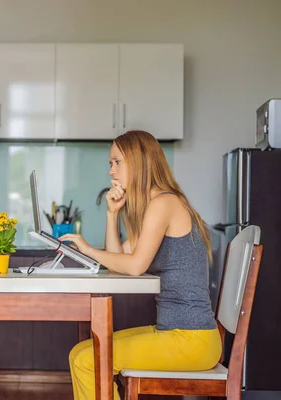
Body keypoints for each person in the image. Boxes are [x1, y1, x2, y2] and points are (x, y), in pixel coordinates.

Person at [60, 130, 221, 400]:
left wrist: (88, 249)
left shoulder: (164, 203)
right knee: (80, 353)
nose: (111, 171)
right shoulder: (159, 205)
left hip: (191, 341)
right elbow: (117, 262)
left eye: (116, 162)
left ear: (138, 161)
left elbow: (134, 266)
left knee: (87, 360)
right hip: (178, 333)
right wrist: (113, 215)